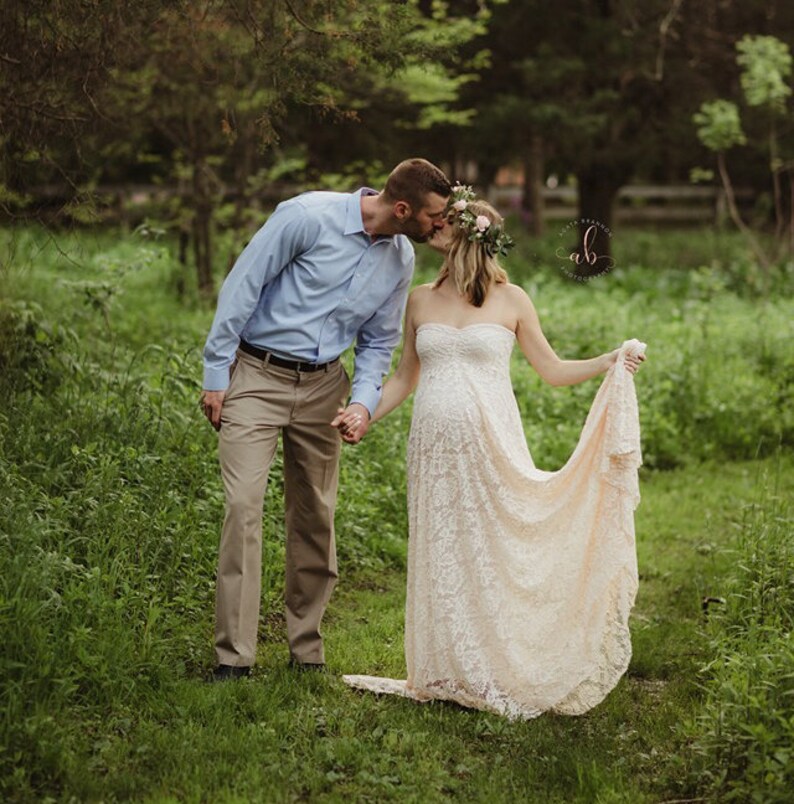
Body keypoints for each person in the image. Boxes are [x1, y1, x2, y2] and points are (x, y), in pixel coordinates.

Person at [336, 186, 647, 719]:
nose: (434, 228)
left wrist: (608, 360)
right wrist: (362, 412)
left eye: (445, 223)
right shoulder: (419, 300)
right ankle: (446, 668)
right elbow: (404, 378)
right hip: (433, 449)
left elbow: (551, 372)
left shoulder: (513, 300)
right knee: (443, 551)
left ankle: (496, 666)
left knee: (493, 549)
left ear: (469, 236)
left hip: (492, 441)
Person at [200, 159, 451, 681]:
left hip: (324, 389)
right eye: (433, 217)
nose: (438, 227)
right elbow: (242, 286)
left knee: (315, 515)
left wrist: (361, 402)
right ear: (402, 209)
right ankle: (234, 657)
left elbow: (379, 340)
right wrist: (215, 373)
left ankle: (305, 647)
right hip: (256, 376)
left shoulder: (400, 257)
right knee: (243, 506)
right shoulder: (305, 216)